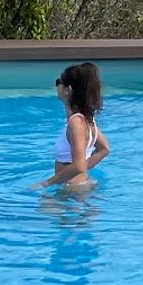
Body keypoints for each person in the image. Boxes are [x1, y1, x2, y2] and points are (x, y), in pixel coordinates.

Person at [34, 62, 110, 190]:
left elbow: (78, 166)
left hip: (70, 189)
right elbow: (104, 149)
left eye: (59, 82)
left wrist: (45, 184)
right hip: (82, 185)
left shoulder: (76, 123)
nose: (57, 85)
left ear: (68, 90)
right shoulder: (87, 119)